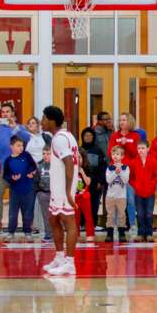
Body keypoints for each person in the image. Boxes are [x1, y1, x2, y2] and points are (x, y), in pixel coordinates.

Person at [41, 105, 80, 277]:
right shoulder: (66, 135)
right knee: (53, 219)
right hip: (58, 187)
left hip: (65, 188)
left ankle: (70, 263)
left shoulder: (59, 139)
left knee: (69, 223)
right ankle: (59, 257)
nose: (41, 122)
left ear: (50, 120)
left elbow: (70, 164)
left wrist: (68, 191)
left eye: (43, 118)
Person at [0, 103, 30, 232]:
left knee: (20, 197)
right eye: (2, 112)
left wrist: (14, 128)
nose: (5, 114)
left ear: (12, 113)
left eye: (7, 112)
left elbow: (27, 138)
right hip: (1, 169)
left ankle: (25, 224)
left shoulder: (19, 128)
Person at [108, 113, 142, 233]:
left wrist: (126, 144)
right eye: (120, 120)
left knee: (130, 199)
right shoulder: (114, 136)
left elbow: (137, 154)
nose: (122, 122)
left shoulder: (135, 136)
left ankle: (132, 223)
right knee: (116, 199)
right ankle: (117, 224)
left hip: (130, 172)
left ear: (130, 122)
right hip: (117, 171)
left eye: (124, 120)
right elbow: (110, 153)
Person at [3, 136, 37, 242]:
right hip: (15, 191)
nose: (21, 147)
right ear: (11, 147)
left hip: (28, 189)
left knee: (27, 213)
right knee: (12, 213)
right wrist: (12, 179)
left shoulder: (26, 156)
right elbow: (6, 175)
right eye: (18, 145)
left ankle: (27, 232)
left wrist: (31, 172)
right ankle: (11, 232)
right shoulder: (8, 160)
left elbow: (33, 166)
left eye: (22, 145)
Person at [130, 141, 157, 243]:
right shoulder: (134, 162)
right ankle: (140, 234)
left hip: (150, 193)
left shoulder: (153, 161)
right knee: (140, 213)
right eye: (139, 148)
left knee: (148, 214)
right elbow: (131, 177)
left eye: (143, 148)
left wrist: (152, 184)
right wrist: (136, 185)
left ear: (148, 149)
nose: (141, 150)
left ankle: (149, 234)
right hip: (138, 193)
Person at [80, 128, 106, 230]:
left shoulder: (98, 150)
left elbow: (102, 167)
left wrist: (100, 181)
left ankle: (93, 224)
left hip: (95, 182)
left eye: (90, 136)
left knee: (94, 204)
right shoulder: (79, 150)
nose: (88, 137)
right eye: (86, 135)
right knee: (82, 203)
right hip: (81, 182)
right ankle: (82, 224)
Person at [105, 145, 130, 243]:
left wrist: (120, 172)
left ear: (122, 156)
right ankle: (109, 234)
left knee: (122, 215)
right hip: (110, 196)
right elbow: (108, 180)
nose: (115, 156)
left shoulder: (126, 168)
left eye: (118, 154)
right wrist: (115, 172)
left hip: (121, 197)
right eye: (113, 154)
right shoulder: (109, 168)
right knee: (110, 215)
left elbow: (125, 180)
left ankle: (122, 233)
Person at [74, 150, 95, 242]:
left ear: (83, 158)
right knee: (75, 217)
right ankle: (76, 234)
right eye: (76, 157)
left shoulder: (87, 168)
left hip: (85, 196)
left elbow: (88, 182)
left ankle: (90, 234)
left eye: (80, 157)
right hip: (74, 197)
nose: (78, 159)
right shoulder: (70, 169)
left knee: (88, 216)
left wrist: (82, 172)